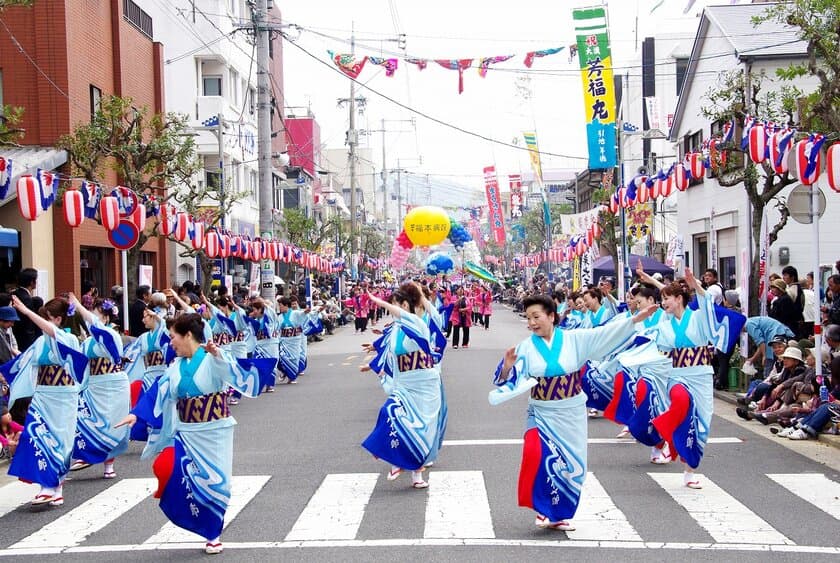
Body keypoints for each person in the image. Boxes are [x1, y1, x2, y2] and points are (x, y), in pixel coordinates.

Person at [490, 294, 657, 531]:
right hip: (541, 411)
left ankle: (557, 514)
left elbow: (604, 334)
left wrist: (634, 320)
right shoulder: (525, 348)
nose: (532, 323)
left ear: (551, 315)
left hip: (570, 411)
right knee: (536, 453)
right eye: (528, 318)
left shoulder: (574, 339)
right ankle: (542, 507)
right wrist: (507, 365)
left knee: (569, 464)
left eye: (536, 316)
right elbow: (505, 380)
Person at [116, 314, 261, 555]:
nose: (171, 343)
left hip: (214, 431)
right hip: (186, 431)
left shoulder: (211, 359)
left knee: (215, 482)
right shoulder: (175, 367)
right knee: (167, 466)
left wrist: (218, 355)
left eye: (173, 337)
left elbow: (232, 371)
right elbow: (157, 391)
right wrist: (137, 414)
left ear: (188, 336)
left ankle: (213, 533)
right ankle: (186, 509)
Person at [361, 283, 443, 489]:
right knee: (389, 412)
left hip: (424, 383)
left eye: (394, 305)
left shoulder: (417, 323)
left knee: (421, 430)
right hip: (404, 383)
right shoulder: (395, 329)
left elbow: (407, 317)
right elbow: (386, 352)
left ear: (405, 305)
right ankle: (396, 460)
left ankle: (417, 475)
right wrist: (372, 365)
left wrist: (377, 301)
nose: (392, 310)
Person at [5, 295, 85, 506]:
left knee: (61, 441)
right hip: (42, 395)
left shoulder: (69, 339)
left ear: (58, 319)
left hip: (64, 397)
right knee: (37, 436)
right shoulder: (41, 341)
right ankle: (45, 486)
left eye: (47, 318)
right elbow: (25, 361)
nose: (43, 323)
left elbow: (52, 333)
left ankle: (56, 485)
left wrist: (26, 312)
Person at [66, 295, 129, 479]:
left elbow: (97, 328)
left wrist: (78, 305)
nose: (92, 317)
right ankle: (86, 454)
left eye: (97, 314)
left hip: (113, 383)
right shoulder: (87, 341)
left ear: (107, 317)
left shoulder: (111, 334)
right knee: (85, 417)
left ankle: (109, 464)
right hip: (93, 383)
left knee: (112, 424)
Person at [12, 268, 40, 352]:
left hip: (15, 337)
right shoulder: (26, 299)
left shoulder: (14, 293)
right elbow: (29, 324)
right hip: (25, 341)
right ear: (32, 282)